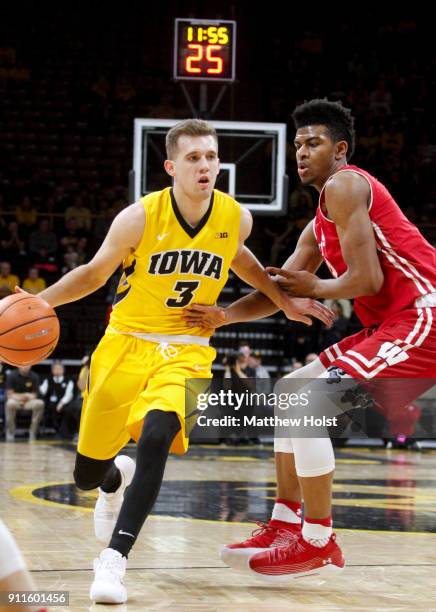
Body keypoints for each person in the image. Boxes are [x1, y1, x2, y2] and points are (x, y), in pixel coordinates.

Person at [16, 119, 333, 603]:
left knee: (160, 433)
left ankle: (114, 560)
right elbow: (95, 272)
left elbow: (240, 258)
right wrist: (44, 303)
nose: (205, 166)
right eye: (193, 158)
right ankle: (111, 478)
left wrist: (281, 299)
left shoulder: (235, 217)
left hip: (187, 349)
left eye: (211, 156)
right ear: (170, 167)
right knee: (85, 474)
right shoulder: (138, 218)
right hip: (124, 344)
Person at [184, 100, 436, 581]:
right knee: (288, 391)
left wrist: (316, 288)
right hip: (390, 325)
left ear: (340, 150)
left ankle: (318, 540)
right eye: (297, 144)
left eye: (313, 143)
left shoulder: (347, 184)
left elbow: (367, 280)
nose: (301, 152)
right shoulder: (319, 221)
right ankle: (284, 525)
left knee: (306, 404)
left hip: (423, 316)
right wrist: (222, 317)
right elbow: (282, 290)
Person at [5, 366, 45, 442]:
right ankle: (10, 431)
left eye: (27, 365)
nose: (25, 367)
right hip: (16, 401)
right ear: (18, 365)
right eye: (23, 365)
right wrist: (22, 396)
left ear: (30, 365)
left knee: (40, 403)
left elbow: (35, 394)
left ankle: (33, 431)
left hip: (29, 401)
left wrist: (27, 396)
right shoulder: (12, 375)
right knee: (9, 403)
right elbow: (9, 394)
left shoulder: (34, 376)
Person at [39, 360, 75, 433]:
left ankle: (63, 430)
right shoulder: (48, 380)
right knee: (48, 406)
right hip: (50, 404)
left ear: (63, 370)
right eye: (55, 369)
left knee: (68, 409)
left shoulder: (68, 380)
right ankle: (50, 428)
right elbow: (42, 391)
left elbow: (69, 395)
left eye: (59, 369)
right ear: (52, 371)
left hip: (64, 403)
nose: (57, 370)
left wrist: (62, 403)